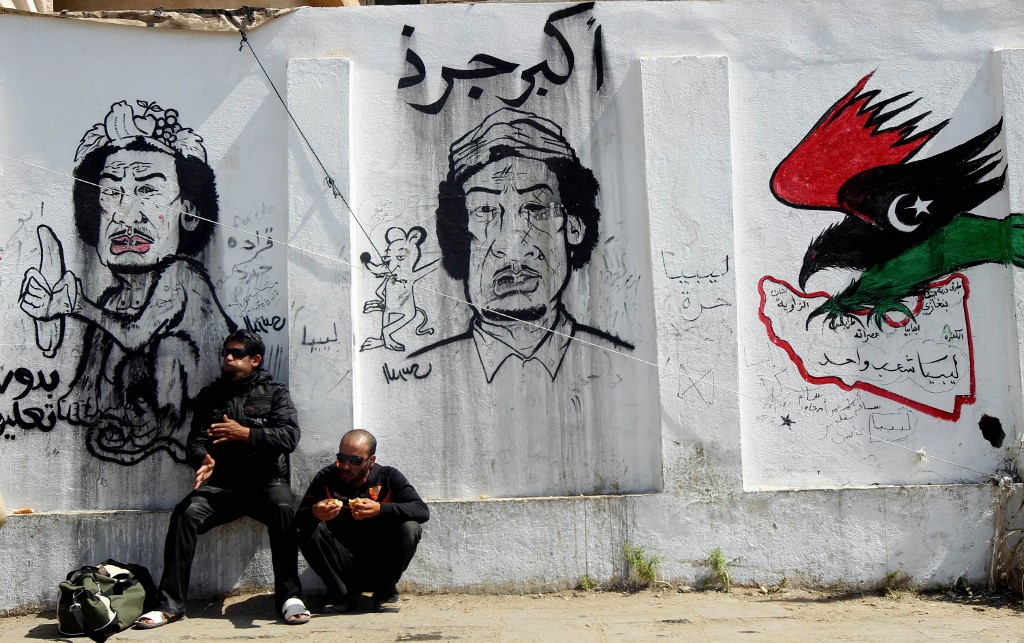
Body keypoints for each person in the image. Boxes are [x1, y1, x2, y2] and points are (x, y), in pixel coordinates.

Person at [18, 99, 234, 465]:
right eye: (110, 192)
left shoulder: (182, 276)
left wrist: (77, 306)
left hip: (192, 450)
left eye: (148, 190)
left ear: (189, 214)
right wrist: (52, 315)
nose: (125, 213)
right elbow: (81, 403)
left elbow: (135, 334)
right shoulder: (114, 301)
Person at [408, 107, 633, 382]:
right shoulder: (423, 374)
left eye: (536, 208)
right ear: (459, 234)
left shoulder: (623, 368)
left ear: (573, 227)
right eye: (486, 210)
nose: (512, 246)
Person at [135, 330, 309, 628]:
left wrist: (247, 434)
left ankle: (289, 597)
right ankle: (170, 604)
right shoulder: (211, 396)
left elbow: (290, 436)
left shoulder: (275, 392)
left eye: (237, 353)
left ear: (255, 360)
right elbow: (196, 440)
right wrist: (202, 459)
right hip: (224, 486)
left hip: (266, 483)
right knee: (185, 515)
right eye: (226, 352)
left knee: (284, 510)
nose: (228, 358)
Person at [297, 429, 429, 612]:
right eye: (341, 458)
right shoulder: (327, 477)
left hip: (381, 563)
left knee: (411, 528)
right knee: (308, 529)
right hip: (341, 562)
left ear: (370, 461)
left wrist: (380, 509)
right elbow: (298, 520)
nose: (346, 466)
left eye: (355, 461)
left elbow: (421, 510)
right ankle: (339, 594)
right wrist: (314, 512)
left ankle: (385, 592)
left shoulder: (388, 477)